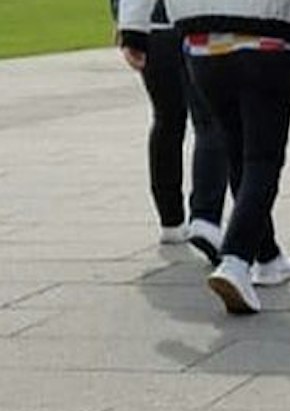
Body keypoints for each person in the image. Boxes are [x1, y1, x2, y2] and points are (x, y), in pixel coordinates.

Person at [165, 0, 290, 315]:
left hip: (201, 41)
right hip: (266, 36)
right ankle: (236, 260)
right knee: (262, 159)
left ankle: (267, 257)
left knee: (237, 149)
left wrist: (133, 28)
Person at [115, 0, 228, 258]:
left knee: (167, 118)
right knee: (210, 122)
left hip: (153, 27)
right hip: (197, 21)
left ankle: (171, 220)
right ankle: (205, 215)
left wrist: (130, 27)